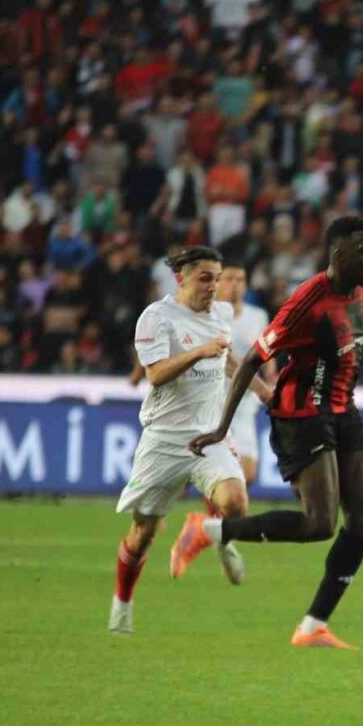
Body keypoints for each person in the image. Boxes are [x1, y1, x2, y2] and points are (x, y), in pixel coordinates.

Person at [174, 215, 363, 649]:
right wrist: (221, 427)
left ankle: (312, 627)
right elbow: (252, 359)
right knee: (320, 523)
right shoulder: (307, 302)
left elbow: (352, 353)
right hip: (300, 413)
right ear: (339, 254)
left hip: (343, 408)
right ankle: (208, 530)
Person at [109, 246, 273, 636]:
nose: (213, 286)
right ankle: (122, 602)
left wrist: (263, 391)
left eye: (217, 278)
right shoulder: (156, 317)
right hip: (164, 439)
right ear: (180, 278)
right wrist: (199, 351)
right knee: (144, 532)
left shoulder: (222, 314)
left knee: (236, 503)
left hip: (208, 433)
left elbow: (227, 360)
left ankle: (208, 533)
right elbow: (155, 374)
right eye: (205, 278)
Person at [217, 260, 271, 487]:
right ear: (217, 283)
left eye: (240, 280)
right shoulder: (210, 315)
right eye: (229, 279)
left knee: (247, 474)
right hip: (212, 402)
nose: (235, 285)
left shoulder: (258, 316)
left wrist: (272, 377)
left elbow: (268, 354)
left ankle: (213, 508)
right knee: (211, 471)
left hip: (244, 403)